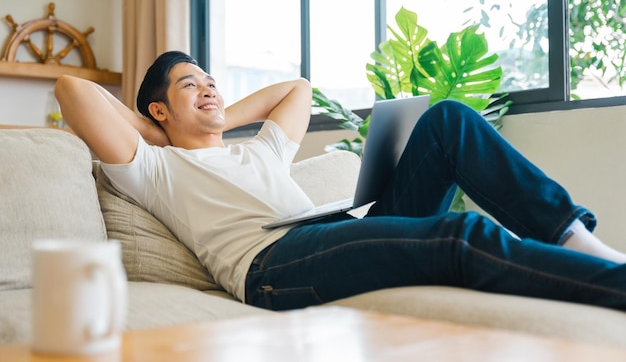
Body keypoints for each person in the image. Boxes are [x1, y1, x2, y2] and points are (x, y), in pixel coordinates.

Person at [55, 50, 626, 312]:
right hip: (274, 266)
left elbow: (296, 89)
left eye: (211, 80)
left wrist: (216, 117)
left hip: (333, 235)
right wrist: (166, 133)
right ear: (156, 112)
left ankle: (577, 238)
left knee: (448, 121)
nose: (209, 88)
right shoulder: (156, 168)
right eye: (189, 85)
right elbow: (71, 91)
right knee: (459, 236)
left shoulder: (261, 151)